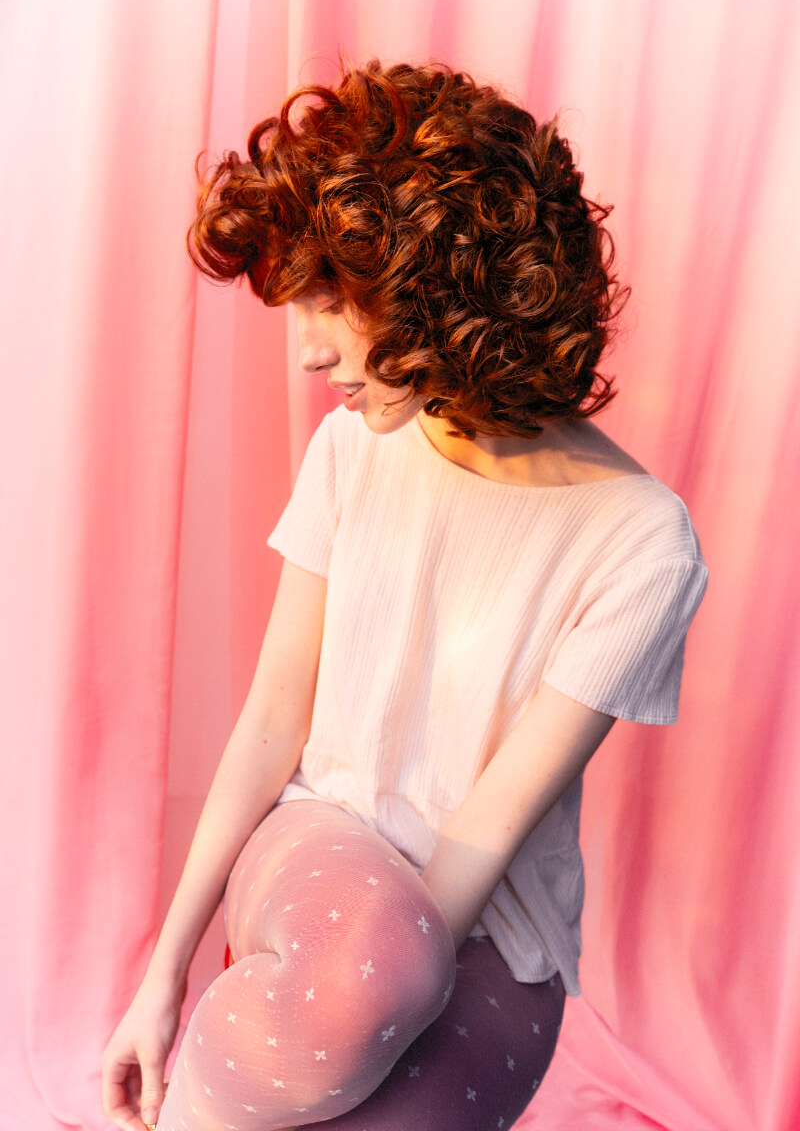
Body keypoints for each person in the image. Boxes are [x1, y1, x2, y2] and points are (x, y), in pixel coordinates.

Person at [102, 59, 708, 1131]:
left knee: (383, 996)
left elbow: (490, 824)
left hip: (492, 937)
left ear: (443, 280)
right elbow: (272, 723)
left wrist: (380, 1038)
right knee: (366, 966)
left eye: (328, 300)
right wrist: (162, 979)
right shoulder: (352, 453)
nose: (307, 352)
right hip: (324, 846)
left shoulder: (644, 546)